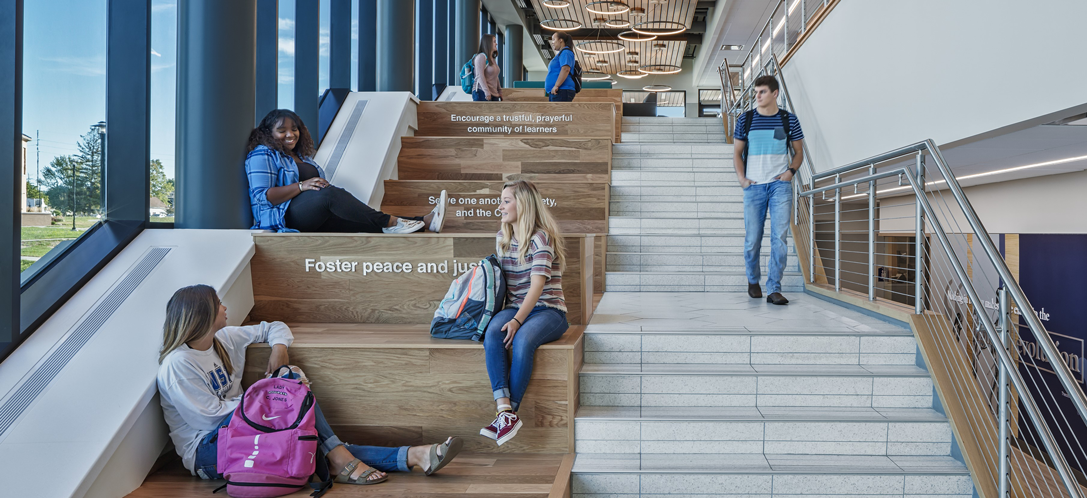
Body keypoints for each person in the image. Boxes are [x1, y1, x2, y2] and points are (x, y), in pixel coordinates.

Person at [156, 285, 463, 485]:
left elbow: (274, 327)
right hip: (210, 451)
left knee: (298, 408)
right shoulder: (177, 365)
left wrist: (279, 349)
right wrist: (272, 400)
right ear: (203, 315)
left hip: (242, 429)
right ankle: (406, 456)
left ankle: (404, 457)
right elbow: (208, 418)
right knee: (296, 403)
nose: (224, 307)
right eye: (218, 303)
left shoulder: (224, 338)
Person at [246, 109, 447, 234]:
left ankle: (423, 222)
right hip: (283, 217)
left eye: (294, 129)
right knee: (332, 195)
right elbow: (264, 197)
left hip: (311, 214)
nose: (290, 134)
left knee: (357, 219)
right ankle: (391, 220)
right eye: (282, 130)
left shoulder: (303, 156)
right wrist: (301, 186)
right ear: (269, 133)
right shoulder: (263, 154)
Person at [479, 181, 569, 446]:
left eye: (506, 200)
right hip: (515, 307)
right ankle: (504, 410)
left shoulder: (542, 237)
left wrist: (517, 321)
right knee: (493, 332)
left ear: (524, 204)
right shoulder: (502, 238)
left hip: (549, 310)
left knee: (522, 340)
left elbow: (538, 286)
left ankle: (509, 414)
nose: (500, 206)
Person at [732, 75, 805, 305]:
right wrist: (743, 179)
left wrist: (790, 173)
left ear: (775, 93)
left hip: (779, 186)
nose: (757, 96)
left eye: (762, 92)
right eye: (756, 92)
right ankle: (753, 280)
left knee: (779, 239)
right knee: (753, 239)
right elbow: (736, 153)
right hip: (754, 187)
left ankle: (774, 288)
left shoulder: (788, 120)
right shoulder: (746, 119)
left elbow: (799, 152)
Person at [545, 32, 576, 102]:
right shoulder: (562, 53)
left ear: (560, 40)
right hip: (558, 91)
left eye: (553, 39)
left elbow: (565, 69)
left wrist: (556, 86)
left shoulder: (566, 52)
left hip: (562, 90)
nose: (552, 42)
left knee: (559, 113)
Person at [472, 34, 502, 102]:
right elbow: (479, 75)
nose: (496, 44)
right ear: (488, 43)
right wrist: (487, 92)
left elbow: (495, 76)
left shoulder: (492, 59)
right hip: (482, 93)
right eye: (494, 41)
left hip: (493, 94)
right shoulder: (481, 57)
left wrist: (499, 91)